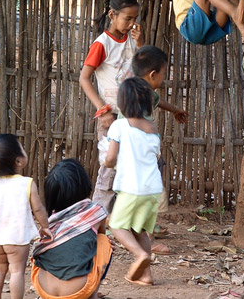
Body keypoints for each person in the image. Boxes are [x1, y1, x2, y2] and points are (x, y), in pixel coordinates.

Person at [79, 0, 143, 212]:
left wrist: (140, 43)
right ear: (112, 15)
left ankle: (128, 220)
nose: (132, 23)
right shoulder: (102, 43)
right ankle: (97, 219)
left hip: (131, 116)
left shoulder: (131, 40)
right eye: (128, 18)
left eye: (135, 18)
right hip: (111, 117)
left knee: (133, 167)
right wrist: (102, 109)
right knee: (109, 169)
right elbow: (84, 78)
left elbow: (142, 71)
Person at [104, 77, 163, 286]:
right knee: (139, 230)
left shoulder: (119, 126)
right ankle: (146, 276)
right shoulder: (153, 127)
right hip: (153, 188)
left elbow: (110, 159)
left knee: (116, 225)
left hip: (131, 187)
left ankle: (139, 255)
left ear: (122, 103)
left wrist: (108, 163)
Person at [0, 134, 53, 299]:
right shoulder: (26, 183)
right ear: (18, 161)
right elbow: (39, 210)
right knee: (17, 271)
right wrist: (45, 227)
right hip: (17, 239)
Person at [130, 45, 187, 255]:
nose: (164, 78)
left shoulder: (140, 89)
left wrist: (175, 110)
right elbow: (132, 122)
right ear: (153, 74)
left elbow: (157, 101)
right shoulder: (138, 95)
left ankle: (140, 232)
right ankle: (148, 240)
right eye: (163, 74)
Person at [31, 159, 111, 299]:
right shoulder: (95, 212)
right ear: (84, 185)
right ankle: (93, 296)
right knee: (104, 241)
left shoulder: (51, 220)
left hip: (42, 288)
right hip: (79, 292)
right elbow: (101, 235)